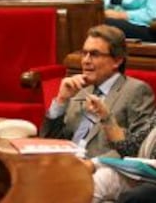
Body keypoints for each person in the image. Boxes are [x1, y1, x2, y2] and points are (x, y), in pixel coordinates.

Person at [40, 24, 155, 158]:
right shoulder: (80, 89)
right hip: (66, 163)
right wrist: (61, 101)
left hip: (99, 169)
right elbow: (49, 140)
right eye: (84, 53)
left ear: (117, 61)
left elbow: (138, 149)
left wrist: (93, 164)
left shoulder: (136, 91)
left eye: (94, 54)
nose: (86, 61)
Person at [81, 87, 156, 202]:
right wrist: (105, 116)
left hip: (149, 181)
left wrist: (96, 162)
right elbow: (130, 147)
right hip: (144, 173)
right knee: (103, 177)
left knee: (140, 194)